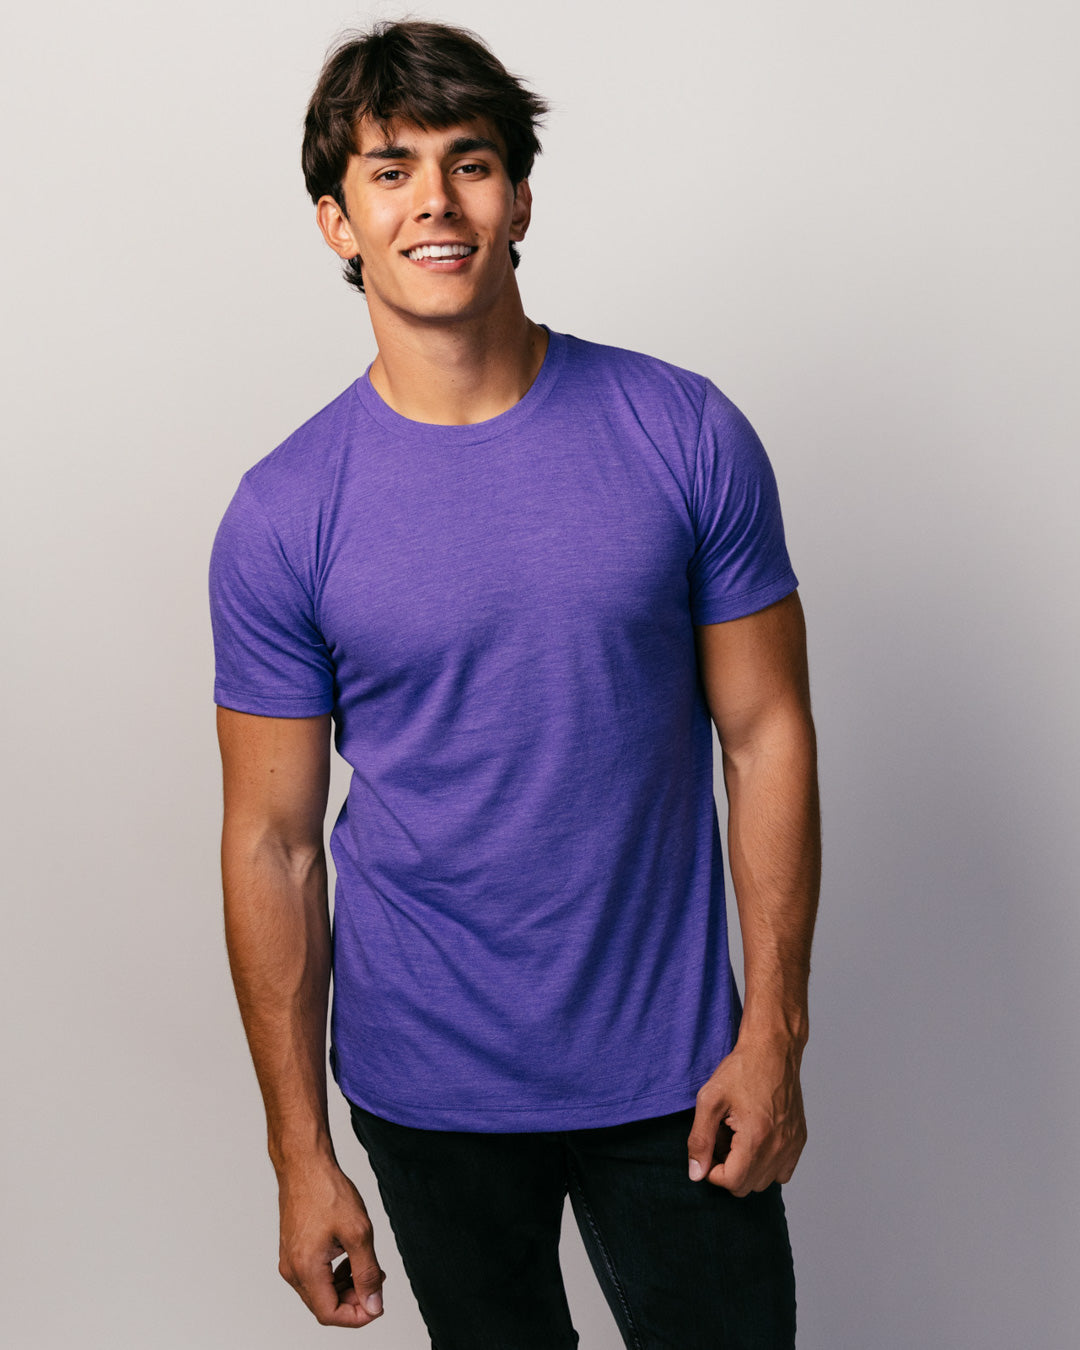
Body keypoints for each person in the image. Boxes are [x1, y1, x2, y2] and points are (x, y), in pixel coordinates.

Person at [210, 19, 820, 1349]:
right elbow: (272, 843)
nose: (434, 199)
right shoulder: (284, 513)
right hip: (427, 1084)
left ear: (520, 200)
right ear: (337, 223)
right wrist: (299, 1154)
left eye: (470, 162)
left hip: (679, 1068)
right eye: (390, 170)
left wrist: (775, 1027)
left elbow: (767, 732)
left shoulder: (683, 431)